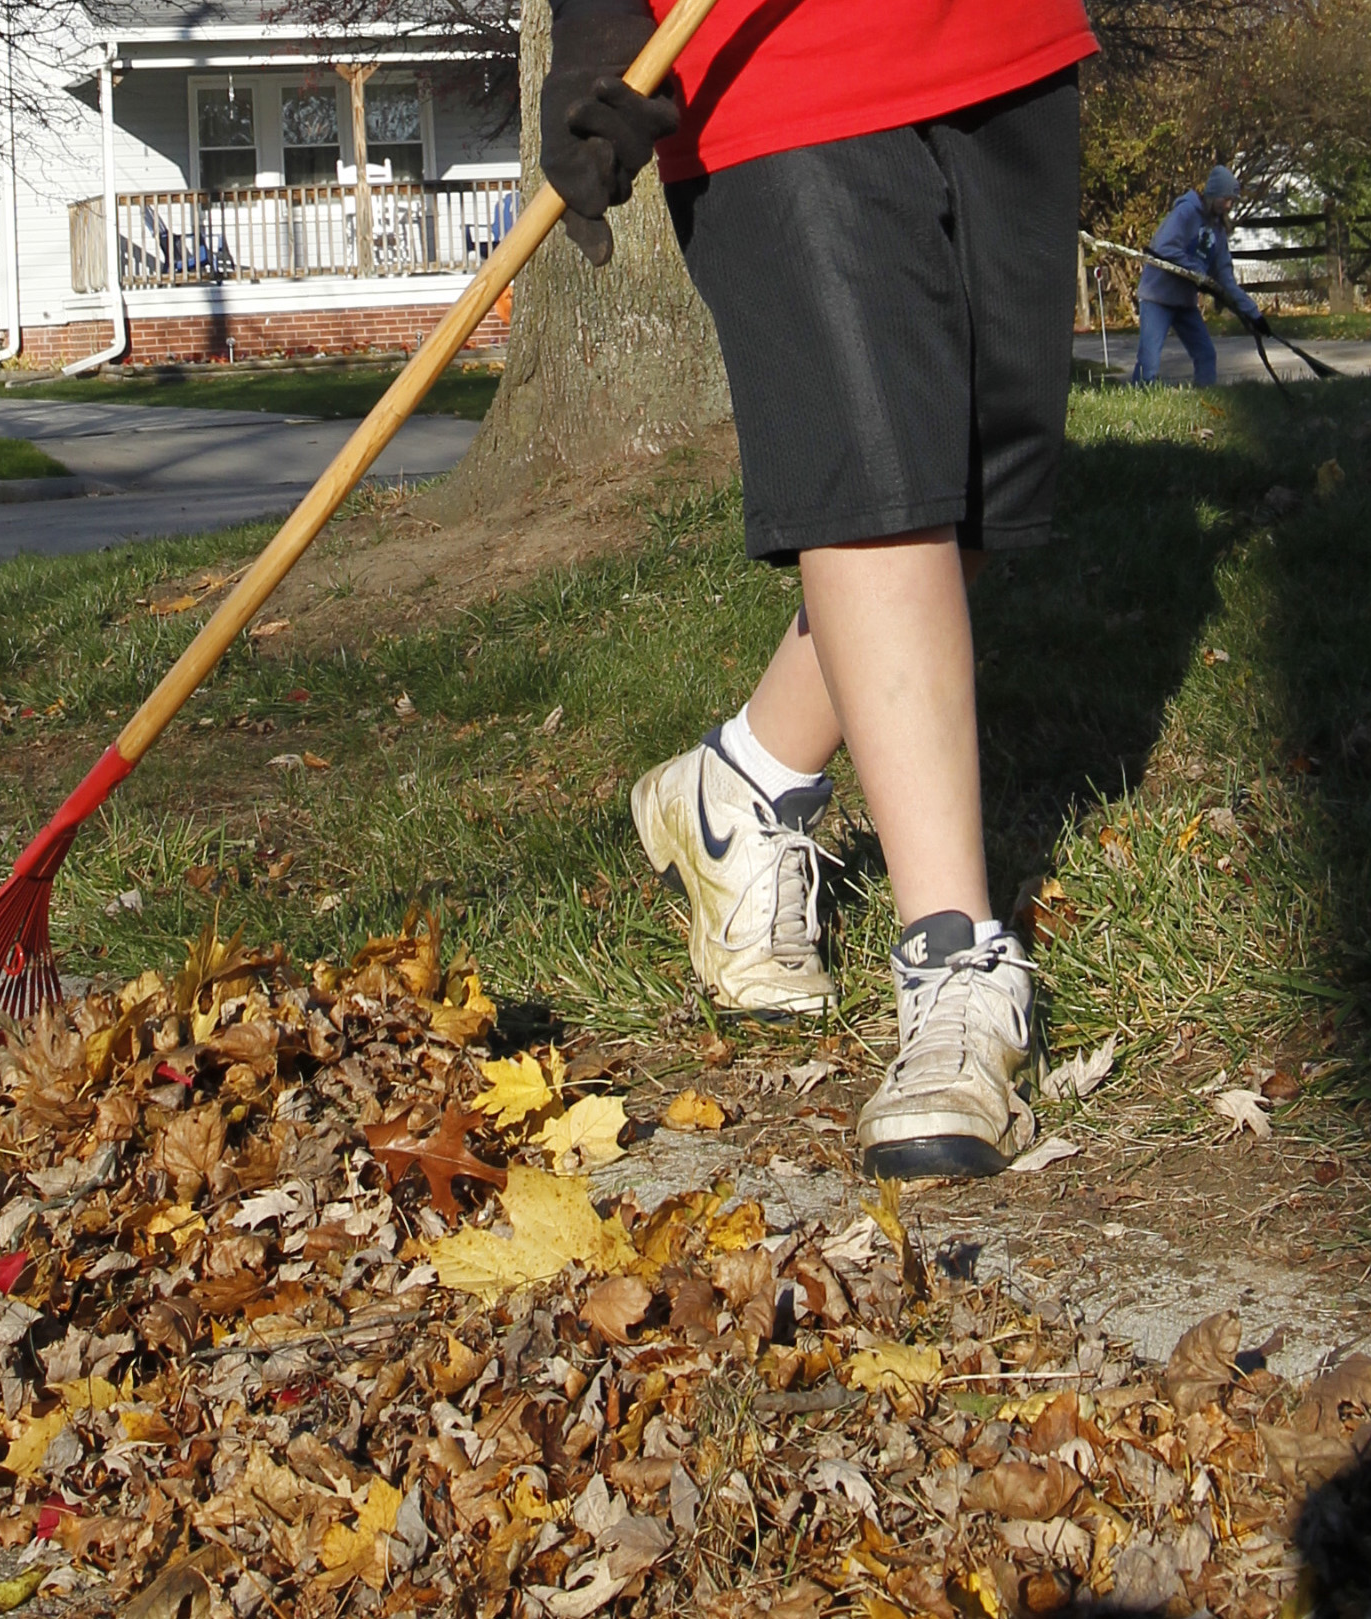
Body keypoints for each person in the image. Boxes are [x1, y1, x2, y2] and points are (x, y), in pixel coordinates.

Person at [540, 0, 1097, 1178]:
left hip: (1009, 40)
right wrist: (594, 25)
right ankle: (952, 967)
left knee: (976, 493)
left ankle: (738, 781)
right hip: (777, 65)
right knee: (878, 478)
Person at [1131, 165, 1264, 386]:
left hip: (1184, 303)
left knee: (1206, 355)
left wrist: (1254, 315)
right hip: (1157, 297)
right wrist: (1197, 271)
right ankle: (1137, 402)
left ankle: (1206, 400)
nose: (1229, 205)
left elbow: (1225, 279)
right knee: (1149, 362)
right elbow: (1164, 247)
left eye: (1232, 201)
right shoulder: (1185, 212)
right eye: (1226, 199)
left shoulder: (1218, 231)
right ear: (1212, 194)